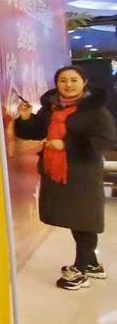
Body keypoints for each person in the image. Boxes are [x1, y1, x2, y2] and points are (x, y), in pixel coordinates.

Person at [15, 65, 117, 290]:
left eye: (73, 80)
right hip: (57, 172)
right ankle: (92, 264)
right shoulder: (51, 107)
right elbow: (36, 132)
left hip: (83, 173)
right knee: (76, 219)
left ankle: (80, 270)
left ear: (84, 82)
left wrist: (66, 145)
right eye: (63, 80)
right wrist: (26, 118)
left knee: (84, 219)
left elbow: (107, 139)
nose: (68, 85)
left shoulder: (95, 110)